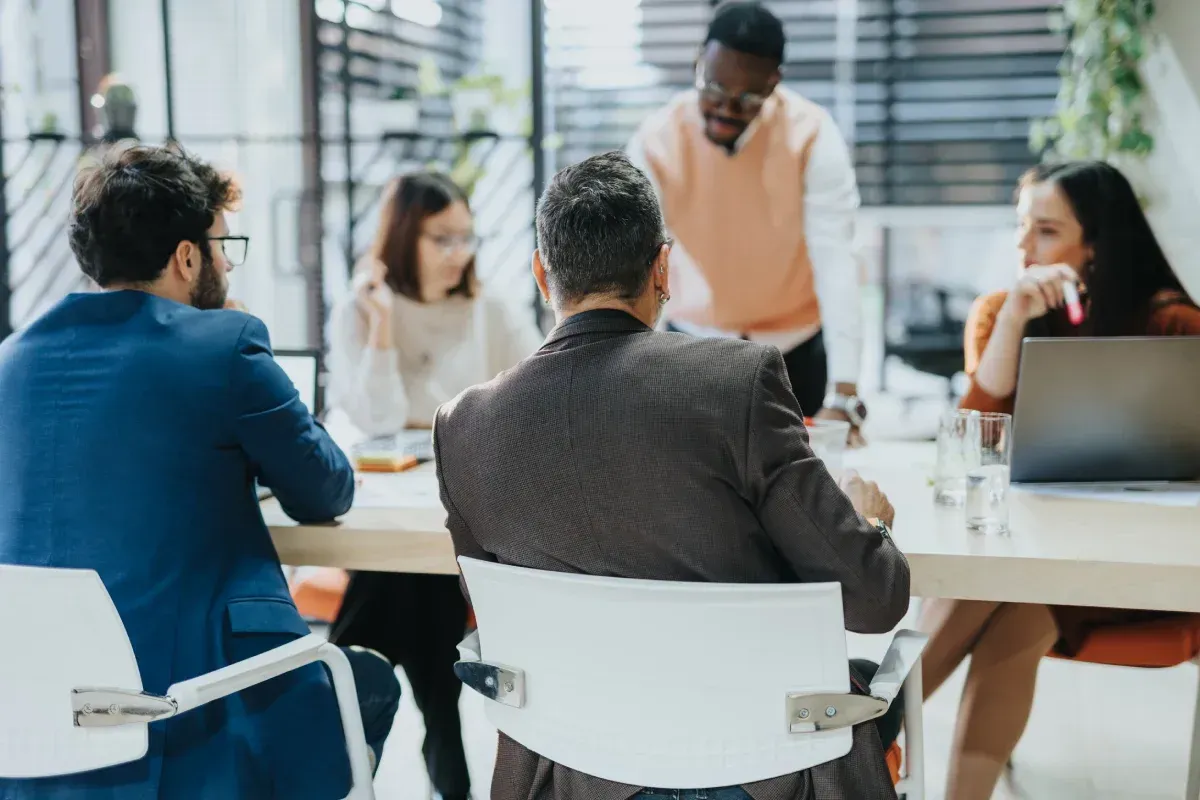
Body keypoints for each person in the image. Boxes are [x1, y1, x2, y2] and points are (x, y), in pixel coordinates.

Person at [433, 151, 910, 800]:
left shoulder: (462, 426)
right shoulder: (736, 383)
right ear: (662, 267)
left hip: (577, 771)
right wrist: (870, 521)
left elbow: (496, 611)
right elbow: (876, 599)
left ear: (542, 273)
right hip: (761, 768)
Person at [0, 145, 401, 799]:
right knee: (371, 682)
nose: (226, 262)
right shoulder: (223, 345)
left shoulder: (11, 361)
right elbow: (326, 489)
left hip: (41, 736)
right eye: (222, 245)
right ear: (187, 257)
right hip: (193, 716)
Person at [920, 160, 1200, 800]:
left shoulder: (1174, 325)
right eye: (1022, 227)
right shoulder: (1002, 313)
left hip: (1143, 556)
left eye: (1046, 231)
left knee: (1005, 586)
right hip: (1039, 552)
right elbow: (974, 437)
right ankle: (889, 754)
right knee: (1015, 596)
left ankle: (860, 741)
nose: (1024, 247)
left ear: (1095, 244)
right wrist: (1016, 320)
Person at [326, 170, 542, 800]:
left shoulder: (489, 310)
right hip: (400, 506)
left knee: (384, 611)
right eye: (441, 239)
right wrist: (381, 327)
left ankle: (350, 712)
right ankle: (447, 764)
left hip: (458, 504)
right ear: (403, 237)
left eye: (466, 238)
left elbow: (540, 396)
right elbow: (377, 419)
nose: (459, 254)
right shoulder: (359, 310)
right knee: (424, 617)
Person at [627, 1, 868, 442]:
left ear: (774, 82)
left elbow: (836, 259)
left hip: (794, 350)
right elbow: (640, 267)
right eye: (714, 88)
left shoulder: (813, 134)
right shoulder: (655, 142)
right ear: (698, 64)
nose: (726, 108)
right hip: (694, 346)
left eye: (748, 98)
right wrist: (635, 371)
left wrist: (844, 391)